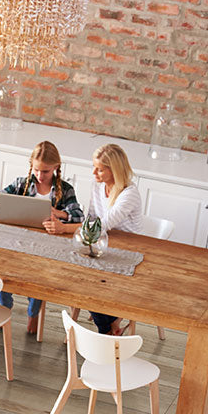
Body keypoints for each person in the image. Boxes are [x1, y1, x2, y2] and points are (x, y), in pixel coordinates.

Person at [0, 140, 83, 335]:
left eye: (45, 171)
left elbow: (80, 217)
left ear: (56, 167)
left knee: (38, 279)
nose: (40, 175)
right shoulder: (21, 184)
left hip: (46, 248)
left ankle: (33, 313)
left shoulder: (65, 190)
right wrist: (7, 204)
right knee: (3, 272)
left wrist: (60, 214)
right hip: (16, 242)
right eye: (36, 170)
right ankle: (5, 308)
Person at [45, 143, 143, 335]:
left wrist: (64, 228)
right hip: (102, 243)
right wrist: (63, 217)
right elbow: (90, 219)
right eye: (94, 167)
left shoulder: (129, 193)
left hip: (127, 248)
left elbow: (102, 224)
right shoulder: (98, 186)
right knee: (81, 279)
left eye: (99, 169)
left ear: (114, 170)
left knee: (88, 281)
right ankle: (111, 325)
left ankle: (106, 329)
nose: (94, 173)